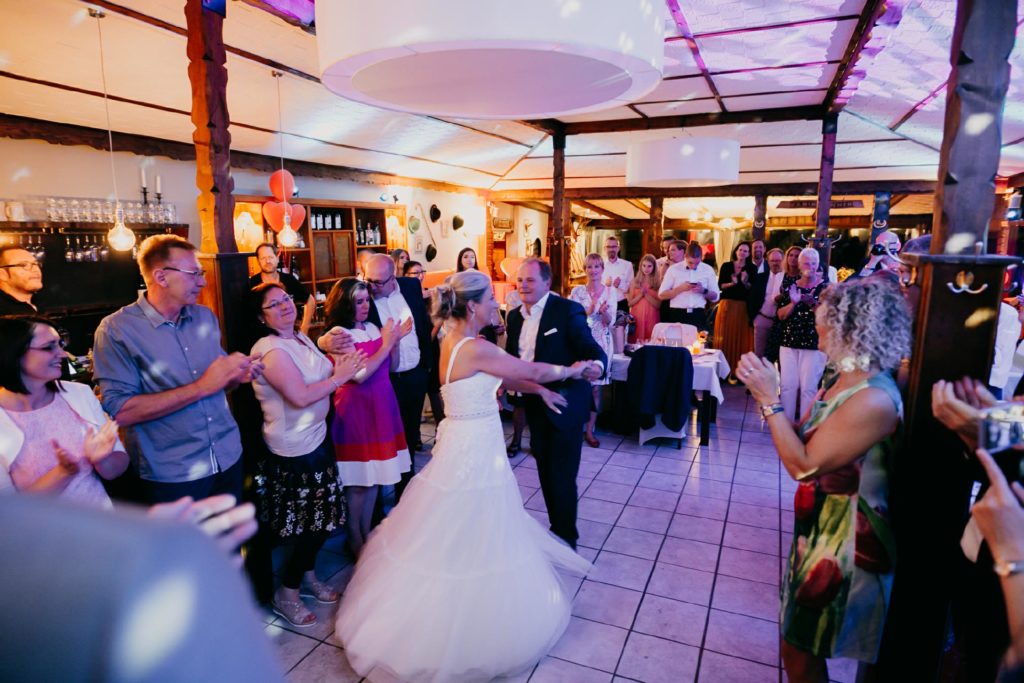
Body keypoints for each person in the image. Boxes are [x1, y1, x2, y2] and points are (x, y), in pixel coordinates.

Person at [335, 269, 592, 682]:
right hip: (473, 447)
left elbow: (501, 374)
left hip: (465, 437)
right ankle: (459, 627)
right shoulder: (475, 345)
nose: (496, 301)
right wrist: (570, 371)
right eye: (491, 296)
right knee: (472, 523)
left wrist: (537, 391)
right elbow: (533, 368)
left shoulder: (452, 336)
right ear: (472, 305)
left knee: (462, 525)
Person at [737, 276, 911, 683]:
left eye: (823, 327)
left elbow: (804, 465)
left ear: (853, 330)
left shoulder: (875, 398)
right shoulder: (839, 379)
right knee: (797, 645)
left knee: (800, 650)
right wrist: (772, 392)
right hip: (817, 532)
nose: (817, 335)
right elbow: (799, 435)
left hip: (849, 542)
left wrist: (768, 399)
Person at [92, 235, 264, 504]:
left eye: (202, 273)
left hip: (227, 454)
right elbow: (121, 411)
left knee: (228, 544)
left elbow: (219, 382)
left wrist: (236, 376)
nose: (203, 282)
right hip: (173, 472)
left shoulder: (204, 317)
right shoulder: (117, 330)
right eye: (194, 273)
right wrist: (202, 387)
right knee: (185, 547)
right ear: (161, 277)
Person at [248, 282, 365, 627]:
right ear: (261, 317)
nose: (285, 305)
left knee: (322, 517)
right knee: (307, 524)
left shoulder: (298, 338)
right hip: (294, 448)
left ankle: (307, 576)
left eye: (286, 299)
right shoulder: (269, 350)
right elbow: (299, 396)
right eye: (274, 304)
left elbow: (320, 372)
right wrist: (339, 376)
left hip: (316, 438)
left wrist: (337, 359)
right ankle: (287, 592)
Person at [506, 258, 606, 548]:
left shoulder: (566, 310)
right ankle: (557, 527)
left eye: (530, 280)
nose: (523, 285)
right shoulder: (513, 317)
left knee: (562, 475)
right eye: (520, 280)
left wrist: (598, 365)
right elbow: (515, 359)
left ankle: (566, 538)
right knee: (546, 471)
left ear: (547, 283)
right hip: (535, 402)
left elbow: (589, 347)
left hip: (565, 402)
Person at [323, 278, 412, 555]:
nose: (363, 306)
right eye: (357, 301)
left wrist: (394, 343)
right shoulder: (340, 334)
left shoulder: (373, 327)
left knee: (373, 477)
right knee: (358, 481)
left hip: (382, 404)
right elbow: (359, 375)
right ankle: (355, 537)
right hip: (357, 410)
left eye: (365, 300)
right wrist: (387, 343)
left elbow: (393, 366)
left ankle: (364, 534)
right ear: (344, 304)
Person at [0, 315, 128, 507]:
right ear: (13, 353)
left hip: (102, 525)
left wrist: (102, 460)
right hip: (43, 535)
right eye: (48, 347)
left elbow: (117, 466)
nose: (62, 354)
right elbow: (9, 508)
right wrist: (63, 472)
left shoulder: (79, 394)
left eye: (60, 344)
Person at [776, 248, 829, 421]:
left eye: (814, 263)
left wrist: (813, 304)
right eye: (806, 263)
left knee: (809, 388)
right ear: (799, 265)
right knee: (787, 386)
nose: (810, 267)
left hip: (814, 344)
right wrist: (793, 303)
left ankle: (806, 424)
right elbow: (780, 315)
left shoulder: (826, 288)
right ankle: (786, 424)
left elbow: (830, 317)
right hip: (789, 341)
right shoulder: (791, 285)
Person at [570, 253, 616, 448]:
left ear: (602, 269)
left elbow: (610, 322)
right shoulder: (577, 291)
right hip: (580, 341)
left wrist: (604, 311)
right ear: (585, 269)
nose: (593, 270)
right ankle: (574, 427)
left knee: (595, 389)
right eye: (589, 267)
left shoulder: (610, 292)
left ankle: (590, 430)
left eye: (597, 266)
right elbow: (572, 319)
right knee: (578, 386)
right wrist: (589, 310)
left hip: (600, 342)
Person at [249, 242, 315, 336]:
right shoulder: (252, 284)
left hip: (290, 334)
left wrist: (305, 327)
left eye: (271, 257)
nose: (268, 261)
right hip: (263, 338)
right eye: (263, 258)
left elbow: (310, 300)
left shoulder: (289, 280)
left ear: (277, 258)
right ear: (258, 261)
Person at [715, 240, 757, 379]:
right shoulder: (726, 266)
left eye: (746, 251)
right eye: (741, 250)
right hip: (727, 305)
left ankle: (739, 373)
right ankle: (722, 373)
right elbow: (720, 286)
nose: (743, 253)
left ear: (749, 253)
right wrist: (732, 283)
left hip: (742, 307)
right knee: (724, 337)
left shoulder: (752, 268)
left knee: (741, 338)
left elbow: (753, 289)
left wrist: (745, 282)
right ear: (736, 251)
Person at [658, 240, 719, 328]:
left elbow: (715, 297)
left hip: (698, 314)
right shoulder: (674, 269)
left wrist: (703, 290)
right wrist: (680, 289)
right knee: (676, 341)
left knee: (697, 341)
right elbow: (661, 295)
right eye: (690, 262)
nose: (694, 266)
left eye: (697, 263)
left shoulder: (708, 270)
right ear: (685, 256)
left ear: (701, 258)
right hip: (676, 313)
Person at [749, 248, 786, 359]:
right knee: (759, 356)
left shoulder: (788, 278)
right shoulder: (760, 277)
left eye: (778, 260)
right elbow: (751, 299)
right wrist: (754, 318)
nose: (775, 263)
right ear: (768, 261)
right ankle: (760, 377)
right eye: (773, 260)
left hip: (781, 323)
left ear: (783, 260)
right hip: (762, 320)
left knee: (782, 357)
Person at [627, 253, 661, 343]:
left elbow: (658, 305)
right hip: (637, 316)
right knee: (636, 340)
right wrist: (640, 295)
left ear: (654, 267)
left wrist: (646, 295)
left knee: (650, 340)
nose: (646, 269)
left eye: (649, 266)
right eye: (644, 265)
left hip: (652, 316)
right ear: (640, 266)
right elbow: (630, 303)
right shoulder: (635, 281)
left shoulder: (658, 283)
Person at [0, 245, 42, 314]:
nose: (36, 269)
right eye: (23, 265)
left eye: (35, 264)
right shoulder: (4, 316)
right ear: (2, 274)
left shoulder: (43, 305)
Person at [603, 235, 633, 311]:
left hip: (622, 304)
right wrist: (605, 285)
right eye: (608, 247)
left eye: (614, 246)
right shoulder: (600, 265)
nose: (611, 249)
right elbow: (595, 287)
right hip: (604, 304)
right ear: (604, 249)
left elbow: (631, 288)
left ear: (618, 248)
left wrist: (620, 285)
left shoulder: (628, 265)